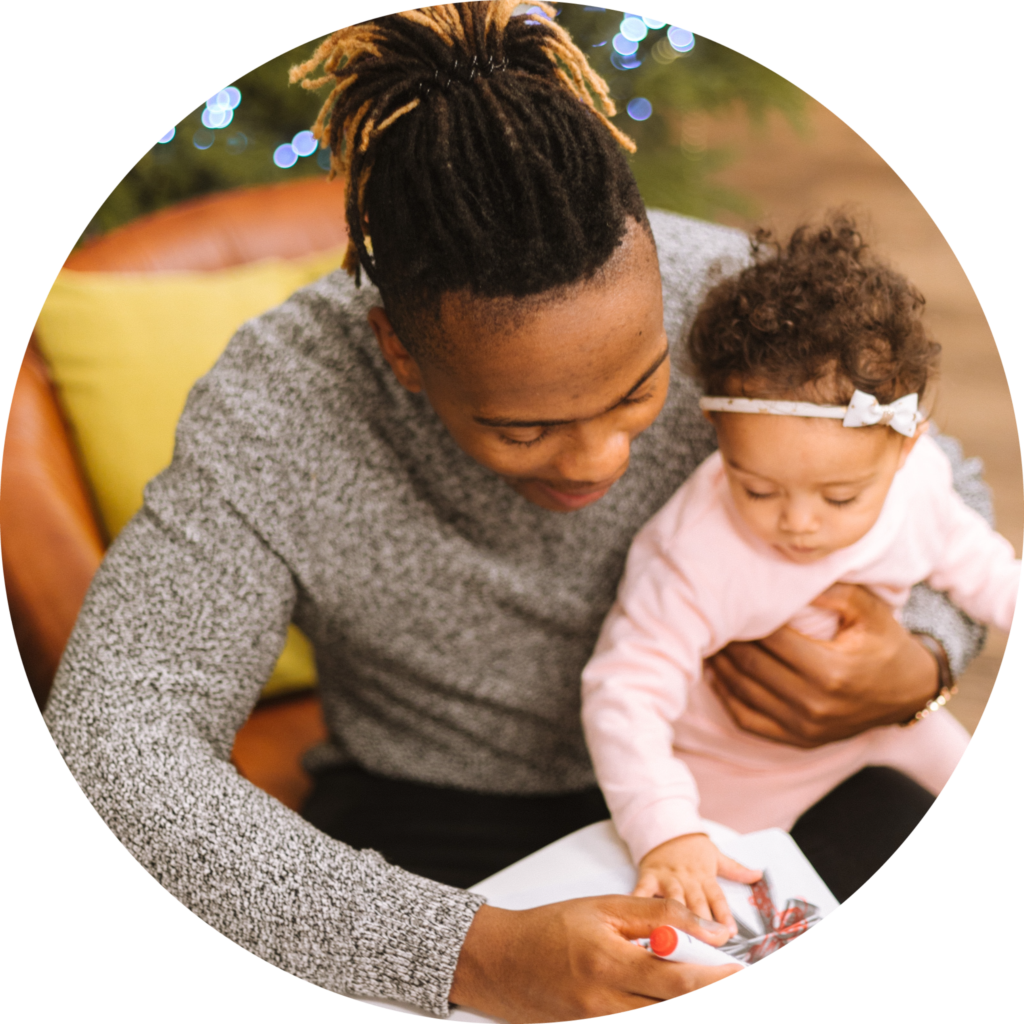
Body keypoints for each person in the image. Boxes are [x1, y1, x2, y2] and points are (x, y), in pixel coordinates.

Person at [41, 5, 990, 1020]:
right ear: (400, 353)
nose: (600, 457)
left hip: (755, 775)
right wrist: (470, 955)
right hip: (445, 823)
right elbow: (112, 737)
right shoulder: (279, 400)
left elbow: (943, 485)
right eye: (523, 428)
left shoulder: (739, 305)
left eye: (638, 391)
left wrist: (922, 656)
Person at [581, 216, 1020, 935]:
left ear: (906, 448)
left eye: (841, 498)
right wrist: (666, 828)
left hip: (881, 724)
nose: (799, 523)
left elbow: (986, 571)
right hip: (733, 772)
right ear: (719, 440)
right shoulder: (690, 550)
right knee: (735, 915)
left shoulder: (920, 487)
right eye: (756, 488)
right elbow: (621, 692)